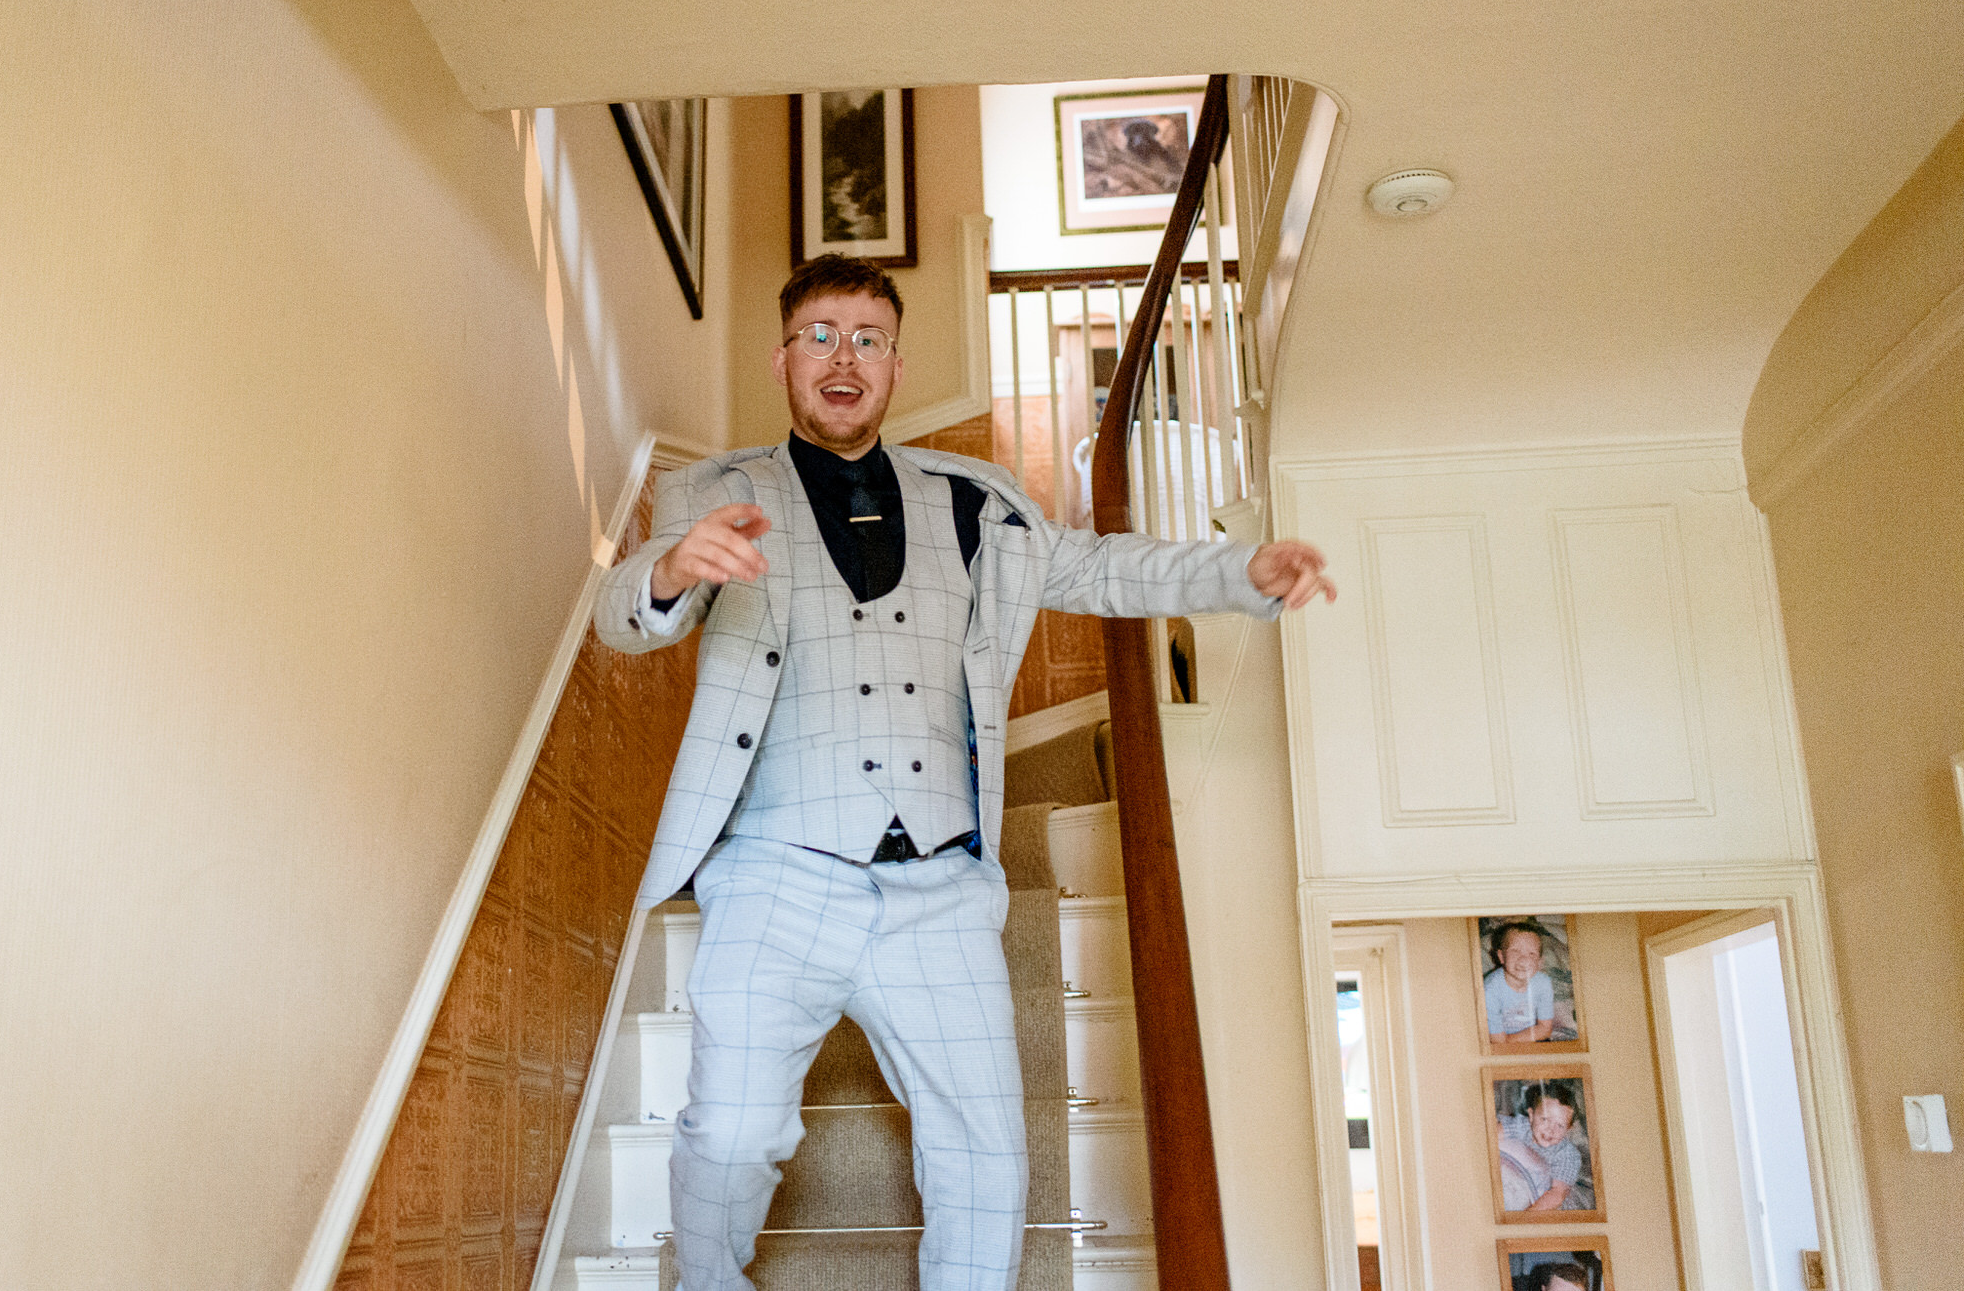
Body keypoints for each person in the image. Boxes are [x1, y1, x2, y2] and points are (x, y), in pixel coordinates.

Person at [595, 253, 1334, 1291]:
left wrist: (1234, 572)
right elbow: (619, 619)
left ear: (894, 366)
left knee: (987, 1155)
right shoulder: (710, 490)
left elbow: (1096, 565)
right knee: (730, 1131)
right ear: (782, 358)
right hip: (774, 873)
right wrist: (670, 571)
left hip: (938, 887)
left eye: (866, 336)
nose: (842, 354)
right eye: (820, 334)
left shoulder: (976, 499)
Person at [1499, 1082, 1589, 1212]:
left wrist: (1525, 1218)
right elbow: (1491, 1136)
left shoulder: (1567, 1154)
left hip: (1541, 1201)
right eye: (1545, 1119)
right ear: (1531, 1116)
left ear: (1569, 1129)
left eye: (1560, 1125)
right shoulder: (1522, 1126)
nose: (1550, 1130)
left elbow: (1557, 1194)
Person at [1485, 919, 1558, 1044]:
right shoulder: (1490, 989)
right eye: (1515, 951)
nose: (1524, 959)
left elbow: (1545, 1029)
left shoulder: (1544, 983)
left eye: (1532, 954)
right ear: (1501, 957)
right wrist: (1506, 1041)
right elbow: (1497, 1040)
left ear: (1540, 962)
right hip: (1500, 1041)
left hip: (1532, 1037)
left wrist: (1510, 1040)